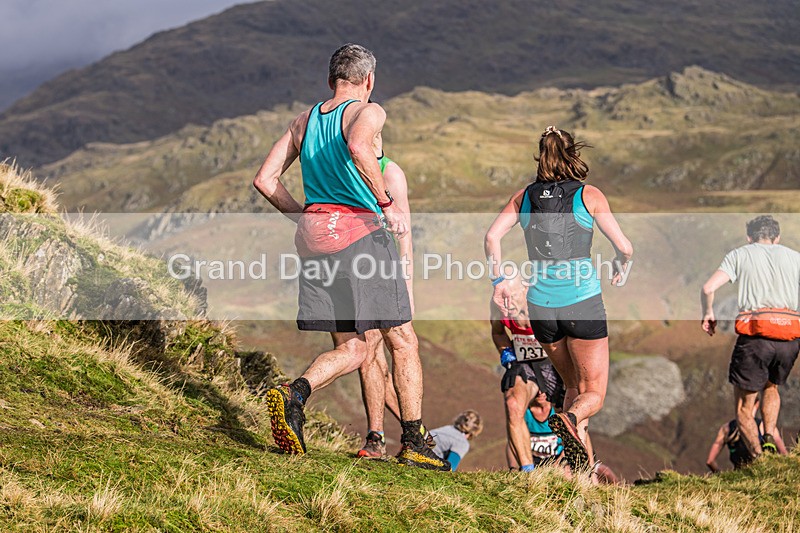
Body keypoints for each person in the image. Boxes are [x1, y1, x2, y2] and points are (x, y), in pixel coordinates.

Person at [252, 43, 448, 470]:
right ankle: (414, 440)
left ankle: (294, 394)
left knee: (356, 349)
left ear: (330, 80)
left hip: (315, 239)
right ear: (369, 80)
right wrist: (386, 201)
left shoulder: (303, 121)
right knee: (402, 338)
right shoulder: (368, 111)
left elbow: (265, 180)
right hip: (360, 235)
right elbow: (361, 147)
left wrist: (307, 216)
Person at [485, 126, 633, 471]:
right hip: (582, 302)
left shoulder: (523, 197)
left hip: (541, 308)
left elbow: (492, 236)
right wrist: (621, 263)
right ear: (573, 155)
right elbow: (624, 246)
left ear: (541, 156)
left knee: (570, 387)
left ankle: (579, 474)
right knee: (592, 395)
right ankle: (570, 420)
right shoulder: (589, 195)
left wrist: (498, 280)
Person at [701, 215, 800, 463]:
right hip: (789, 336)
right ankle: (768, 435)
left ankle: (760, 459)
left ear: (749, 237)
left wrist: (708, 313)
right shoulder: (795, 257)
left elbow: (708, 288)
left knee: (744, 409)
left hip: (756, 337)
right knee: (772, 387)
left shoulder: (739, 254)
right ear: (777, 238)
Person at [357, 137, 410, 459]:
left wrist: (406, 286)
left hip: (385, 271)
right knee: (369, 354)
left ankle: (407, 434)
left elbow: (405, 233)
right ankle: (381, 436)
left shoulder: (390, 173)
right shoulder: (347, 166)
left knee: (393, 350)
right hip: (355, 268)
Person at [490, 276, 565, 472]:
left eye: (513, 296)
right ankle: (528, 471)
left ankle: (581, 468)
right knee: (512, 404)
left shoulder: (543, 303)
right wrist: (506, 352)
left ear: (525, 290)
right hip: (525, 362)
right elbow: (497, 332)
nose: (508, 303)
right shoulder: (499, 304)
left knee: (568, 412)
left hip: (553, 361)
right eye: (504, 298)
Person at [706, 397, 788, 472]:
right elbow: (784, 454)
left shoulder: (726, 428)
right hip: (761, 475)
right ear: (757, 404)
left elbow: (710, 461)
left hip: (738, 476)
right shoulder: (766, 427)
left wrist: (722, 477)